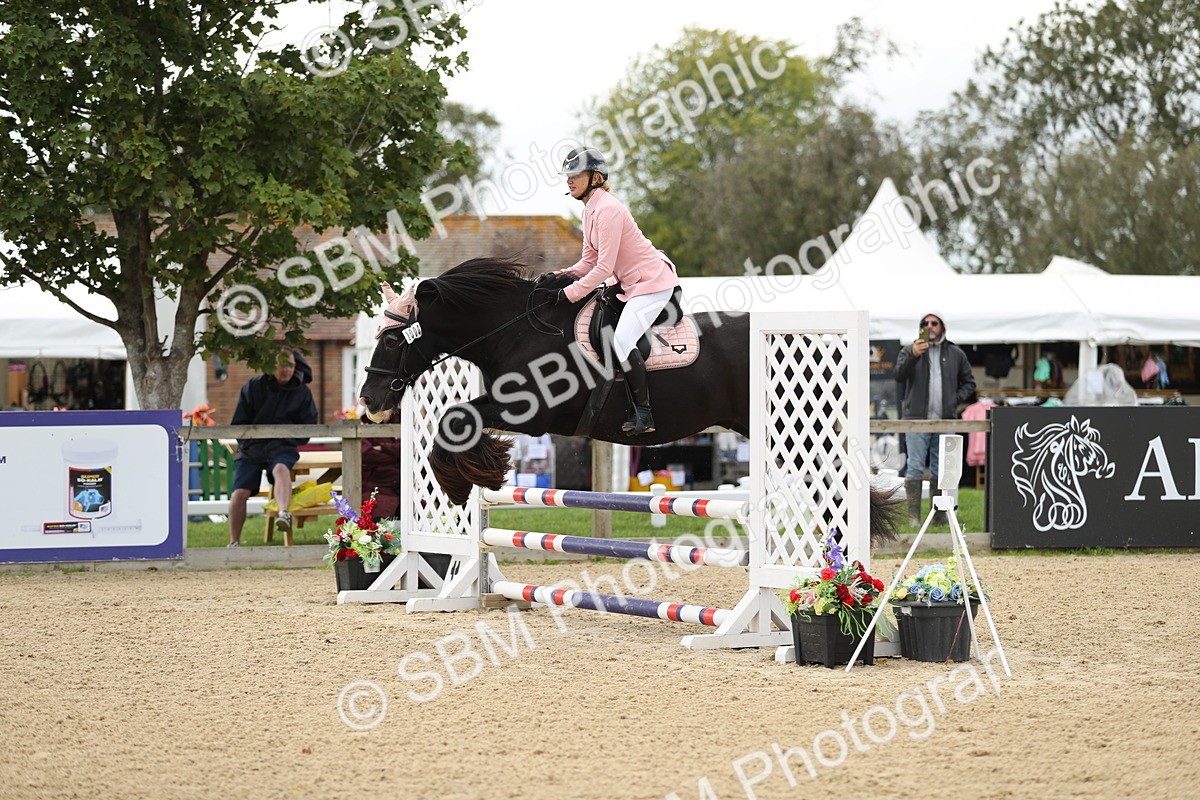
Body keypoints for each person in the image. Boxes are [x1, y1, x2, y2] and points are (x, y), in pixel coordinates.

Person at [539, 146, 681, 436]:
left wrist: (569, 294)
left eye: (575, 175)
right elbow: (588, 261)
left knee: (622, 340)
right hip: (632, 286)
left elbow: (603, 269)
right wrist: (557, 277)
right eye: (567, 176)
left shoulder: (609, 210)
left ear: (595, 177)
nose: (569, 181)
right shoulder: (590, 210)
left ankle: (644, 413)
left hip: (653, 284)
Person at [227, 350, 319, 547]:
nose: (286, 370)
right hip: (252, 447)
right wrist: (249, 442)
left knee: (280, 469)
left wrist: (285, 437)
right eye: (281, 365)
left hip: (282, 447)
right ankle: (233, 543)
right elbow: (239, 424)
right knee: (239, 493)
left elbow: (308, 428)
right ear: (271, 366)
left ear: (296, 367)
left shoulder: (302, 392)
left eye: (290, 365)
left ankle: (284, 514)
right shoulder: (253, 386)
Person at [894, 311, 976, 526]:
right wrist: (913, 355)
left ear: (942, 326)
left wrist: (953, 400)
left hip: (945, 420)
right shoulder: (909, 350)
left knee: (942, 470)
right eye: (925, 323)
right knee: (914, 467)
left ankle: (939, 519)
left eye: (934, 322)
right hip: (916, 420)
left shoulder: (956, 353)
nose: (929, 326)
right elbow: (898, 376)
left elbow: (970, 383)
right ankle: (913, 519)